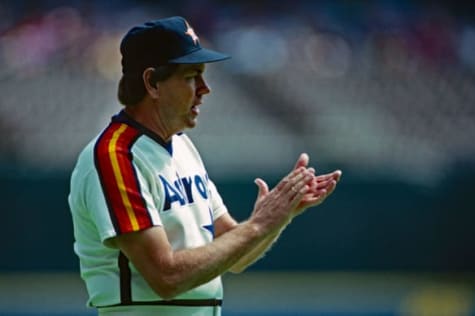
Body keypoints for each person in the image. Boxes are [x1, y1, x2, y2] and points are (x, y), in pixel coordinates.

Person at [68, 16, 342, 316]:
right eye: (191, 75)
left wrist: (279, 216)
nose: (205, 88)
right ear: (152, 83)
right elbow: (166, 277)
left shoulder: (182, 146)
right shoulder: (115, 155)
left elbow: (235, 255)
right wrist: (259, 224)